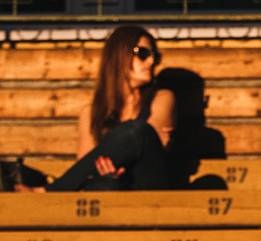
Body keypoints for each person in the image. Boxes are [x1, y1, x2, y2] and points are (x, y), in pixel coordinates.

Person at [40, 25, 185, 193]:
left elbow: (149, 143)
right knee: (103, 186)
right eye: (142, 54)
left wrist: (105, 162)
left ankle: (50, 191)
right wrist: (106, 173)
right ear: (119, 55)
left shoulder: (162, 98)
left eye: (155, 56)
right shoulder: (90, 113)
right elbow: (84, 169)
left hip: (148, 187)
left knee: (138, 130)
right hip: (113, 187)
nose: (151, 62)